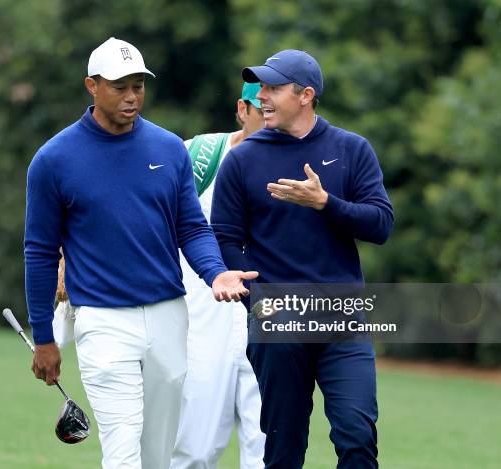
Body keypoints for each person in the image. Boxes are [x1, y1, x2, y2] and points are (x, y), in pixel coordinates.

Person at [24, 37, 257, 469]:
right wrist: (44, 337)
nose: (132, 97)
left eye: (139, 85)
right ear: (91, 86)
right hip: (103, 320)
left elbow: (191, 227)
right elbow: (38, 253)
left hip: (170, 315)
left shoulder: (169, 149)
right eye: (120, 86)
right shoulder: (53, 160)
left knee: (158, 451)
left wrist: (216, 273)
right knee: (123, 443)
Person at [211, 50, 394, 468]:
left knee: (357, 436)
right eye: (261, 89)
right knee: (283, 450)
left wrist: (326, 202)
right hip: (277, 324)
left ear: (306, 95)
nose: (263, 98)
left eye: (274, 88)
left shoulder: (351, 149)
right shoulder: (241, 160)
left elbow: (381, 225)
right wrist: (256, 298)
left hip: (342, 321)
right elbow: (224, 237)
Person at [170, 83, 266, 469]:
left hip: (270, 318)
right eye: (264, 110)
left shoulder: (301, 164)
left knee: (269, 450)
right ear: (242, 109)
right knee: (194, 449)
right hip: (202, 321)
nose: (273, 119)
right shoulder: (197, 154)